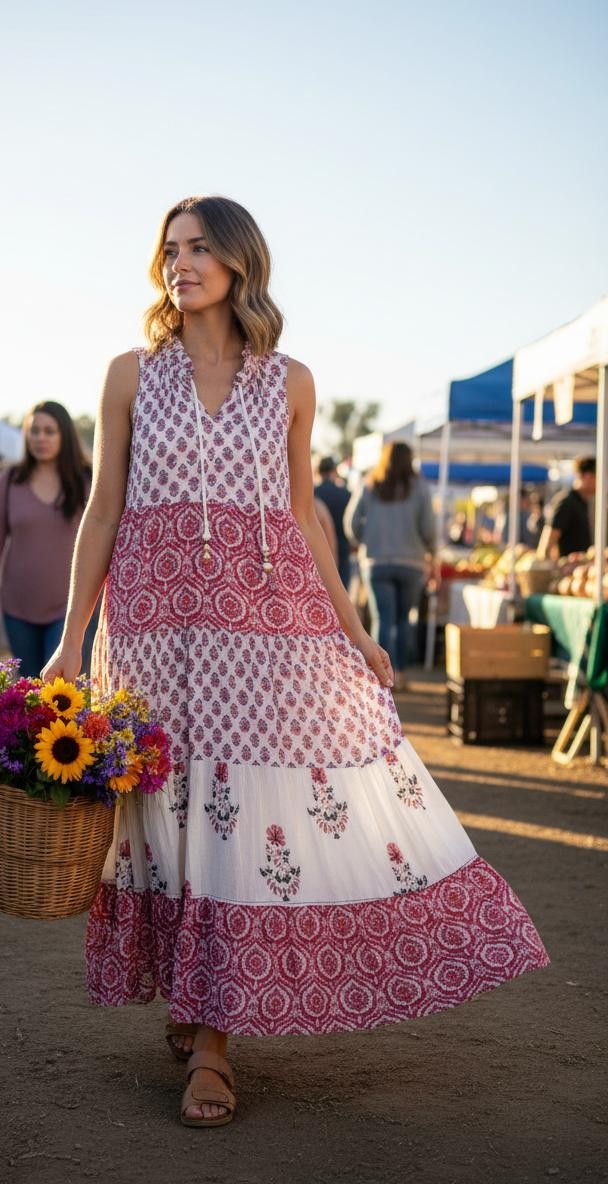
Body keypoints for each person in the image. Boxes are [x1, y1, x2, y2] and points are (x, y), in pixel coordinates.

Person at [41, 195, 548, 1128]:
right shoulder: (127, 375)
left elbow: (304, 514)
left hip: (266, 628)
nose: (179, 264)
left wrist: (354, 630)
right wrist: (73, 638)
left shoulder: (291, 381)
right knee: (166, 808)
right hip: (151, 624)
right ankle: (193, 1006)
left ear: (240, 262)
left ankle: (216, 1048)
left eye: (198, 248)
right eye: (169, 249)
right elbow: (103, 508)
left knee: (240, 812)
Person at [0, 401, 93, 675]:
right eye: (34, 431)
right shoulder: (11, 480)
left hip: (70, 609)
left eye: (49, 431)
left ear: (65, 435)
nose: (41, 438)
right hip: (18, 607)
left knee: (60, 694)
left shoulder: (86, 479)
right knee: (29, 694)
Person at [344, 442, 434, 692]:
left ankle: (380, 676)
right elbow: (429, 528)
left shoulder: (371, 482)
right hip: (412, 563)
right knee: (404, 620)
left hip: (376, 562)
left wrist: (365, 541)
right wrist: (431, 551)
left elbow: (351, 522)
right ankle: (401, 674)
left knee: (383, 618)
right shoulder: (419, 487)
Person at [538, 456, 596, 559]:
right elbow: (548, 543)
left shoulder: (586, 503)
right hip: (567, 569)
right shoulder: (567, 501)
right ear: (587, 476)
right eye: (597, 477)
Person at [313, 455, 352, 589]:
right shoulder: (345, 494)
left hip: (319, 552)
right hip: (343, 550)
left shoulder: (313, 494)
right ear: (334, 471)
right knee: (342, 592)